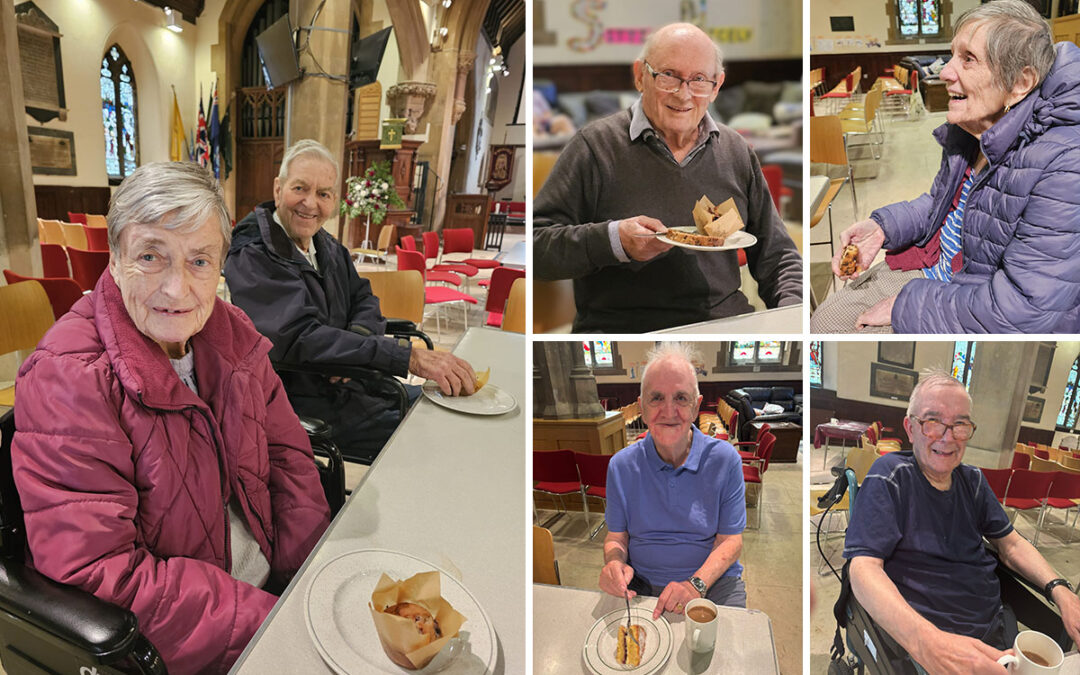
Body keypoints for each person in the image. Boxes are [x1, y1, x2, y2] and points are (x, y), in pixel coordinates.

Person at [11, 162, 331, 674]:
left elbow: (287, 455)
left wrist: (311, 576)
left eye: (199, 261)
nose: (178, 289)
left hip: (272, 594)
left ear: (222, 265)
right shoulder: (69, 379)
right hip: (194, 639)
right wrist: (276, 625)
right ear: (115, 260)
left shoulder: (232, 330)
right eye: (150, 256)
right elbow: (100, 572)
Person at [812, 0, 1080, 333]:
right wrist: (883, 227)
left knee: (830, 329)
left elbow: (1024, 310)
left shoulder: (1065, 163)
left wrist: (905, 306)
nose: (945, 71)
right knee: (822, 319)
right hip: (935, 262)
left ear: (1020, 82)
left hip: (976, 298)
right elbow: (942, 204)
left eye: (968, 59)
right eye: (953, 55)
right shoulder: (973, 128)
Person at [532, 23, 802, 333]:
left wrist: (791, 314)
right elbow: (539, 248)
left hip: (726, 324)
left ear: (716, 87)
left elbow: (778, 255)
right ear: (640, 75)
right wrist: (613, 240)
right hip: (625, 330)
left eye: (699, 79)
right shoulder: (594, 146)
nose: (683, 94)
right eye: (669, 76)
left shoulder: (736, 150)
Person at [224, 139, 475, 463]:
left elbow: (364, 297)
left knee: (455, 410)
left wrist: (357, 343)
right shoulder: (252, 252)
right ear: (278, 188)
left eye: (324, 193)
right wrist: (402, 356)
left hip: (354, 383)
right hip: (300, 399)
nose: (310, 204)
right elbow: (299, 336)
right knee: (439, 438)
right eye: (300, 188)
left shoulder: (325, 244)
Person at [844, 370, 1080, 674]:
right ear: (911, 428)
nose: (948, 437)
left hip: (993, 633)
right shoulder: (890, 476)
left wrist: (1061, 591)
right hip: (924, 638)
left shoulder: (973, 481)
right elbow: (862, 568)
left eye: (960, 425)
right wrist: (928, 643)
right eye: (933, 422)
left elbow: (1011, 544)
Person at [598, 343, 746, 617]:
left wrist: (694, 586)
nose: (668, 411)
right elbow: (616, 537)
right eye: (656, 398)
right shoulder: (621, 466)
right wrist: (614, 563)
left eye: (681, 398)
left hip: (712, 584)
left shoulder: (725, 460)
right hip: (640, 584)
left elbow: (731, 541)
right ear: (642, 408)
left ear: (696, 407)